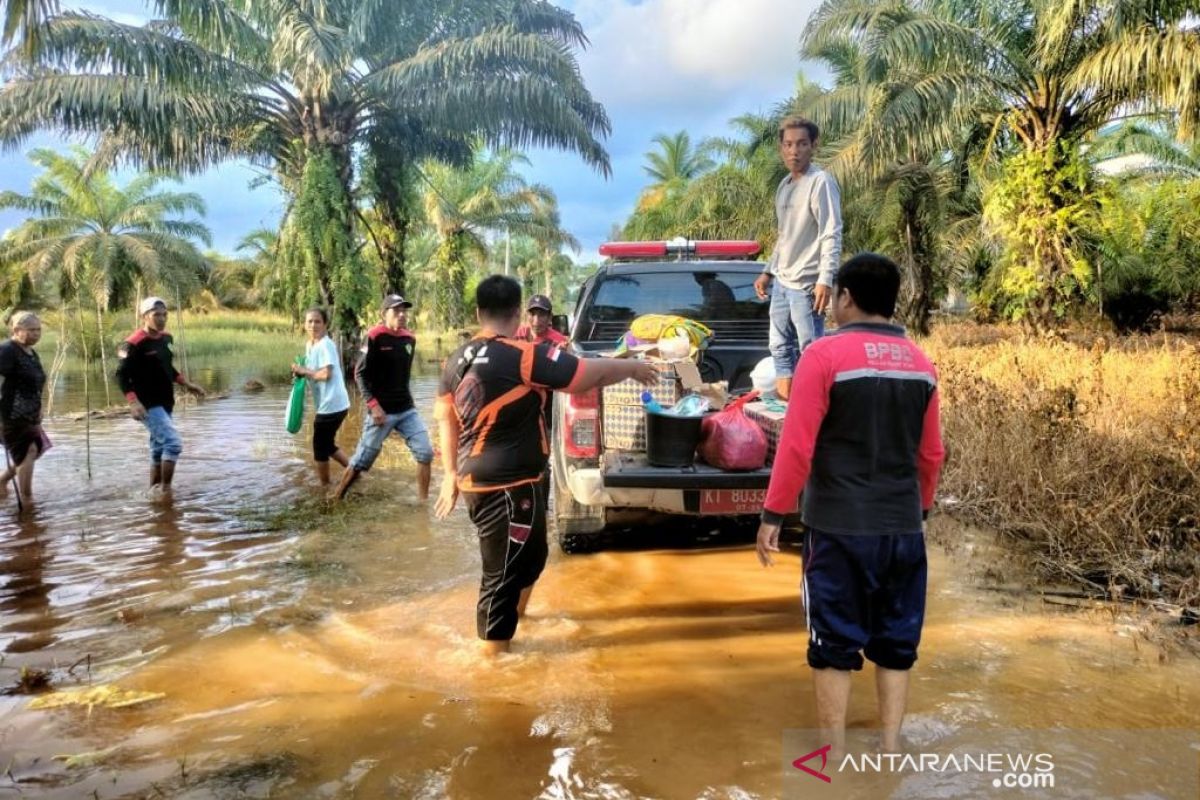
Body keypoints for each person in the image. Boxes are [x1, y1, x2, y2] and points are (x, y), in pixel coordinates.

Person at [756, 253, 944, 756]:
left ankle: (832, 760)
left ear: (845, 298)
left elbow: (797, 446)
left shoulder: (822, 356)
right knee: (896, 642)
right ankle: (888, 750)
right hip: (903, 529)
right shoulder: (922, 365)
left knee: (834, 645)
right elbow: (931, 455)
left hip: (838, 530)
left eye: (834, 295)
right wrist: (918, 511)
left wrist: (773, 515)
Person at [433, 275, 658, 656]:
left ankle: (515, 631)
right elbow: (587, 374)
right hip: (505, 487)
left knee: (532, 559)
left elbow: (444, 417)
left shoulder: (457, 357)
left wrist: (450, 475)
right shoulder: (524, 355)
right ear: (518, 312)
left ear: (478, 312)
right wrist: (632, 368)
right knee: (501, 577)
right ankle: (491, 667)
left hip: (506, 481)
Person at [753, 116, 843, 400]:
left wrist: (825, 279)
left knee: (811, 351)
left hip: (807, 284)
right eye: (789, 144)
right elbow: (784, 235)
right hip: (782, 282)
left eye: (802, 144)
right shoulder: (784, 186)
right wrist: (768, 271)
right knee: (779, 348)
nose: (795, 151)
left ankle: (816, 416)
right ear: (781, 148)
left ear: (813, 145)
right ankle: (787, 415)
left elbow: (831, 232)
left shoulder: (821, 182)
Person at [335, 294, 434, 501]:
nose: (401, 314)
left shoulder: (410, 339)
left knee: (426, 453)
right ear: (384, 314)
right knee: (362, 461)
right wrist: (373, 405)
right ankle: (337, 497)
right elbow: (359, 373)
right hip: (381, 411)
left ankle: (422, 504)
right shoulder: (374, 336)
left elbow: (402, 376)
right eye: (396, 310)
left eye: (404, 310)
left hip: (407, 410)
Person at [116, 297, 207, 493]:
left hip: (166, 402)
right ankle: (166, 492)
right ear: (144, 316)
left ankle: (153, 492)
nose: (162, 318)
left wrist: (188, 384)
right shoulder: (132, 344)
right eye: (156, 314)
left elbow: (168, 368)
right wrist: (133, 402)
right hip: (148, 404)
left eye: (165, 314)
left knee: (158, 449)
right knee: (173, 443)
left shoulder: (166, 338)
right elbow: (121, 375)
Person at [291, 308, 351, 485]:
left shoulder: (326, 345)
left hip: (332, 404)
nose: (313, 325)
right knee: (327, 444)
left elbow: (326, 374)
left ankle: (324, 486)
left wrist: (304, 371)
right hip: (331, 404)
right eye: (309, 321)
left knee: (319, 447)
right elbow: (312, 371)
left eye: (317, 321)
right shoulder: (310, 345)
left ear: (325, 324)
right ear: (304, 324)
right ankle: (353, 470)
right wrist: (300, 373)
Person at [0, 312, 47, 505]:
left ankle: (1, 482)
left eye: (39, 330)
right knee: (28, 451)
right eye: (32, 330)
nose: (36, 334)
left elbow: (36, 382)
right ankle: (27, 501)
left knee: (34, 451)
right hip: (11, 414)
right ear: (16, 330)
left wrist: (40, 406)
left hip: (30, 414)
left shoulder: (30, 352)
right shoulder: (7, 351)